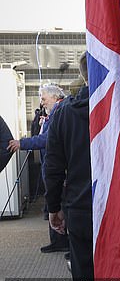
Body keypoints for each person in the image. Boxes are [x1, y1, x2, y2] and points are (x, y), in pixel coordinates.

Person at [45, 52, 94, 281]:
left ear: (83, 75)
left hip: (80, 207)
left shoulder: (63, 114)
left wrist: (54, 207)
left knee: (84, 275)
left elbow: (52, 167)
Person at [7, 84, 69, 253]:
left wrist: (23, 143)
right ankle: (58, 240)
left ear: (55, 97)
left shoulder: (59, 112)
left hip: (56, 167)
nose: (42, 103)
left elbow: (47, 139)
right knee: (55, 203)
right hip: (51, 166)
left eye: (44, 99)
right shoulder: (55, 113)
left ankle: (61, 240)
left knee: (57, 203)